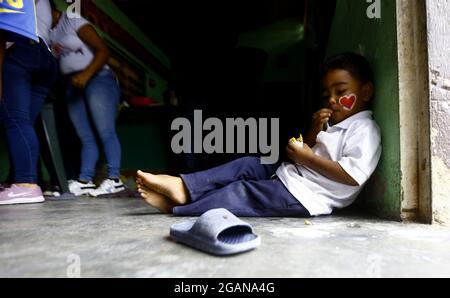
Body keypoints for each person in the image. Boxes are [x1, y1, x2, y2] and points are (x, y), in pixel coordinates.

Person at [136, 52, 382, 217]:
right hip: (289, 176)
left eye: (341, 92)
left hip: (305, 196)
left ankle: (181, 206)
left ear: (366, 92)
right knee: (249, 163)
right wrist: (311, 133)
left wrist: (306, 158)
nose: (332, 100)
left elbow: (352, 175)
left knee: (242, 192)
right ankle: (184, 185)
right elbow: (302, 154)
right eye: (326, 94)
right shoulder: (331, 123)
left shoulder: (364, 129)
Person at [50, 3, 125, 197]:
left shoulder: (71, 19)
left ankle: (114, 179)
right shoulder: (50, 33)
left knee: (105, 131)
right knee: (85, 137)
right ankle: (85, 180)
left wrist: (86, 75)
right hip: (73, 84)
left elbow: (104, 51)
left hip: (98, 78)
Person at [0, 0, 57, 205]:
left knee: (15, 119)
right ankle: (21, 181)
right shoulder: (45, 5)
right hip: (45, 56)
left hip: (19, 49)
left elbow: (3, 29)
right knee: (23, 123)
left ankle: (25, 185)